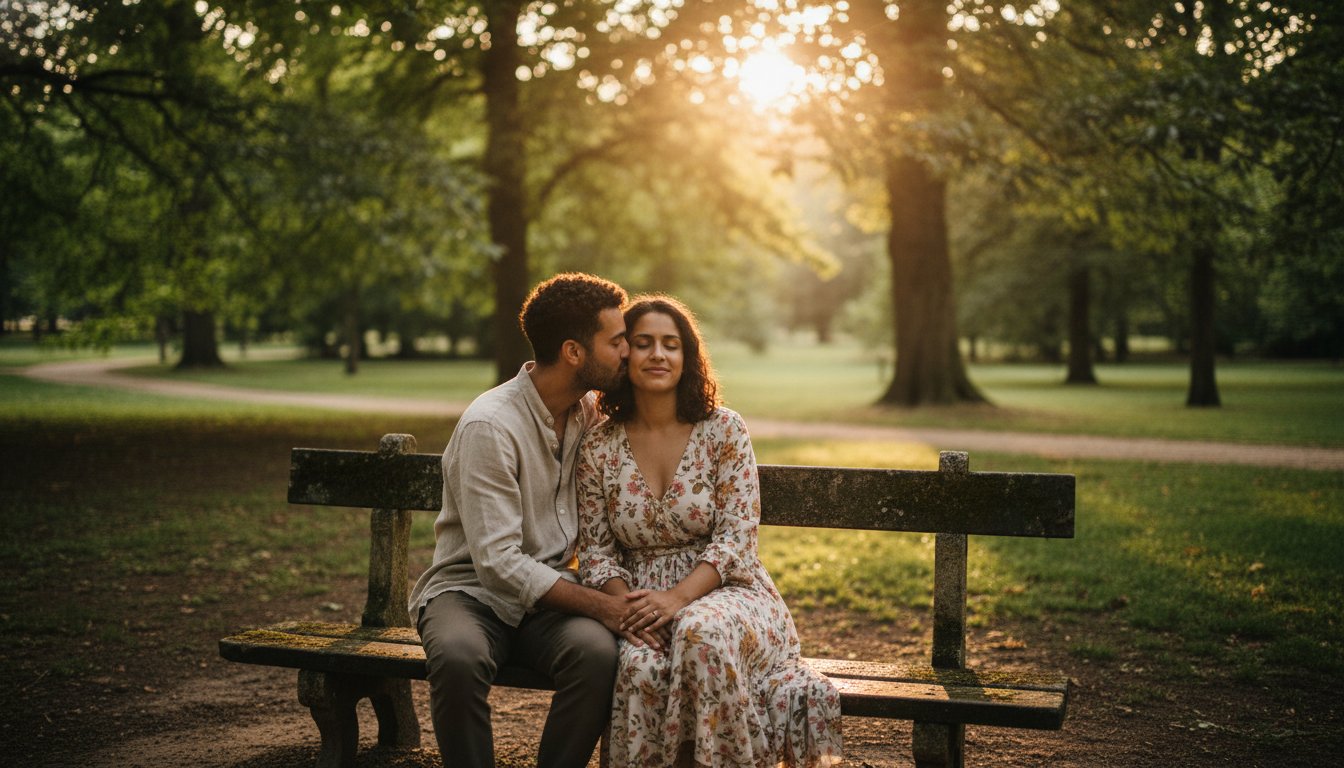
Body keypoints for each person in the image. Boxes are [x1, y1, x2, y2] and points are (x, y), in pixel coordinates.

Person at [576, 295, 843, 768]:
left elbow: (737, 539)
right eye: (643, 343)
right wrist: (627, 612)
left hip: (728, 591)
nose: (658, 354)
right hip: (640, 602)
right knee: (638, 665)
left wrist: (677, 599)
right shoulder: (599, 442)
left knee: (700, 632)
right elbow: (597, 550)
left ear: (687, 357)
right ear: (625, 355)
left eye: (670, 344)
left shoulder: (723, 430)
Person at [409, 273, 660, 768]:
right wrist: (603, 607)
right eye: (616, 342)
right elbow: (498, 564)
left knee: (597, 656)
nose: (627, 352)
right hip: (469, 591)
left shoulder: (589, 412)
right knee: (459, 660)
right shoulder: (491, 426)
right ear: (573, 352)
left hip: (548, 603)